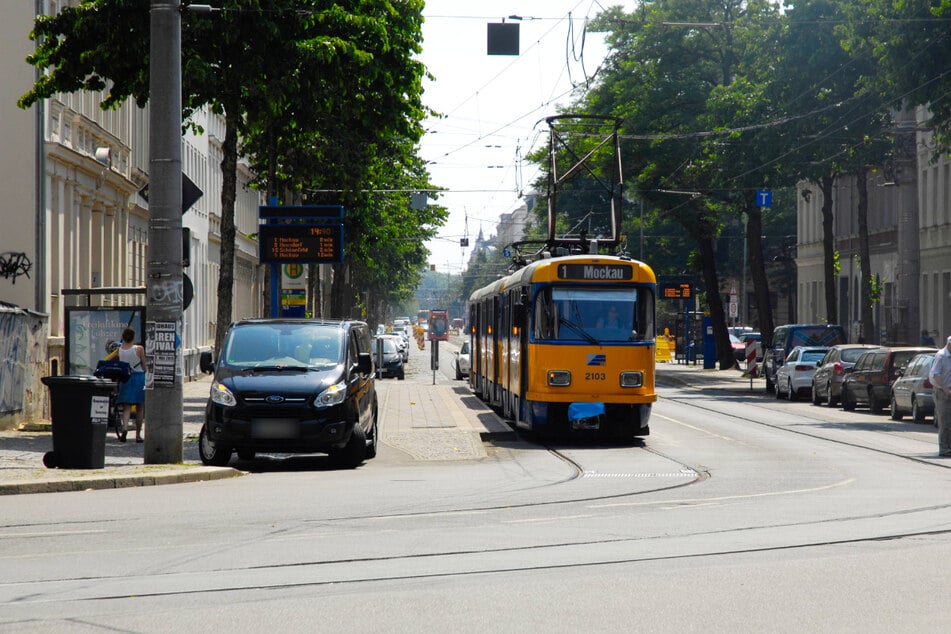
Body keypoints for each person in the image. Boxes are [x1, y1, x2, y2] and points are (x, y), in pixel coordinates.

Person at [116, 327, 147, 443]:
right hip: (138, 378)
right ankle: (138, 435)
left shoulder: (120, 349)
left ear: (123, 338)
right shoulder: (139, 349)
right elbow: (144, 366)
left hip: (126, 379)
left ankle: (124, 429)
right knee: (140, 408)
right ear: (133, 337)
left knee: (126, 407)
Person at [928, 335, 951, 457]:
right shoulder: (941, 356)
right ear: (949, 345)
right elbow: (935, 374)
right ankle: (945, 448)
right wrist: (945, 388)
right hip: (942, 392)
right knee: (945, 421)